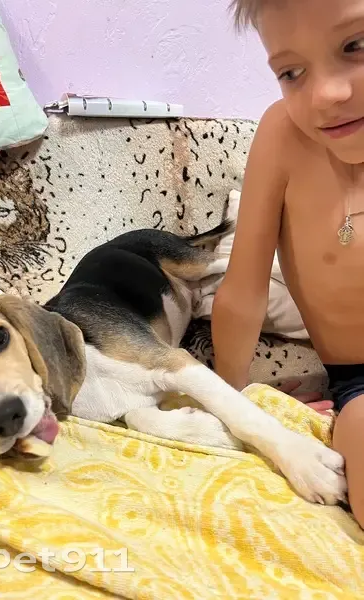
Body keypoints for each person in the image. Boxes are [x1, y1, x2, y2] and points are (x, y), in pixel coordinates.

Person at [211, 0, 364, 528]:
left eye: (356, 45)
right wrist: (231, 405)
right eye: (292, 73)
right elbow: (242, 291)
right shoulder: (281, 135)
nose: (327, 94)